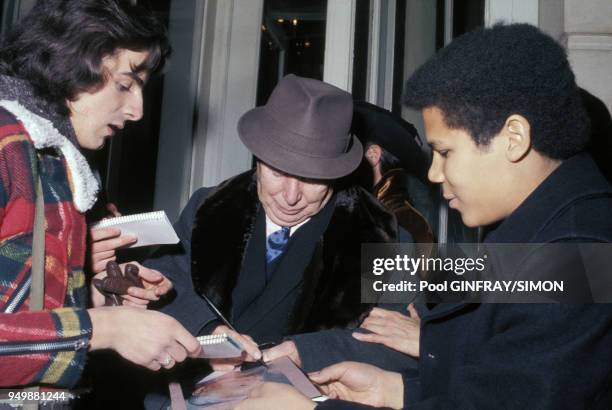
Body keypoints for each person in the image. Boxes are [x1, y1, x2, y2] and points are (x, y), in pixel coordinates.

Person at [236, 23, 612, 409]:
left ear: (513, 139)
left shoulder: (580, 253)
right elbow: (505, 374)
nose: (433, 174)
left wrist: (307, 408)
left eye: (445, 152)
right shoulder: (550, 227)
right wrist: (396, 391)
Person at [0, 0, 201, 390]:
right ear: (69, 65)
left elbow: (22, 304)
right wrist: (102, 328)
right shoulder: (10, 147)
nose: (138, 110)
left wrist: (100, 294)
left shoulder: (54, 163)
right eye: (125, 85)